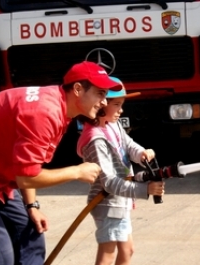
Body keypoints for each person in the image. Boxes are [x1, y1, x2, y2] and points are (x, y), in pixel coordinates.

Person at [0, 61, 122, 265]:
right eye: (100, 93)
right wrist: (77, 172)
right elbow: (26, 177)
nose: (104, 101)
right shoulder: (44, 112)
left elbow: (29, 164)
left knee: (31, 235)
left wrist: (32, 206)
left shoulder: (58, 107)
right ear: (77, 89)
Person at [76, 77, 164, 265]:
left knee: (127, 250)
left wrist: (141, 153)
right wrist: (144, 190)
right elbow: (108, 182)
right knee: (107, 255)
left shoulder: (113, 124)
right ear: (101, 104)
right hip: (107, 205)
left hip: (119, 202)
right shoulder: (95, 140)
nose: (121, 110)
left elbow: (128, 144)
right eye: (117, 104)